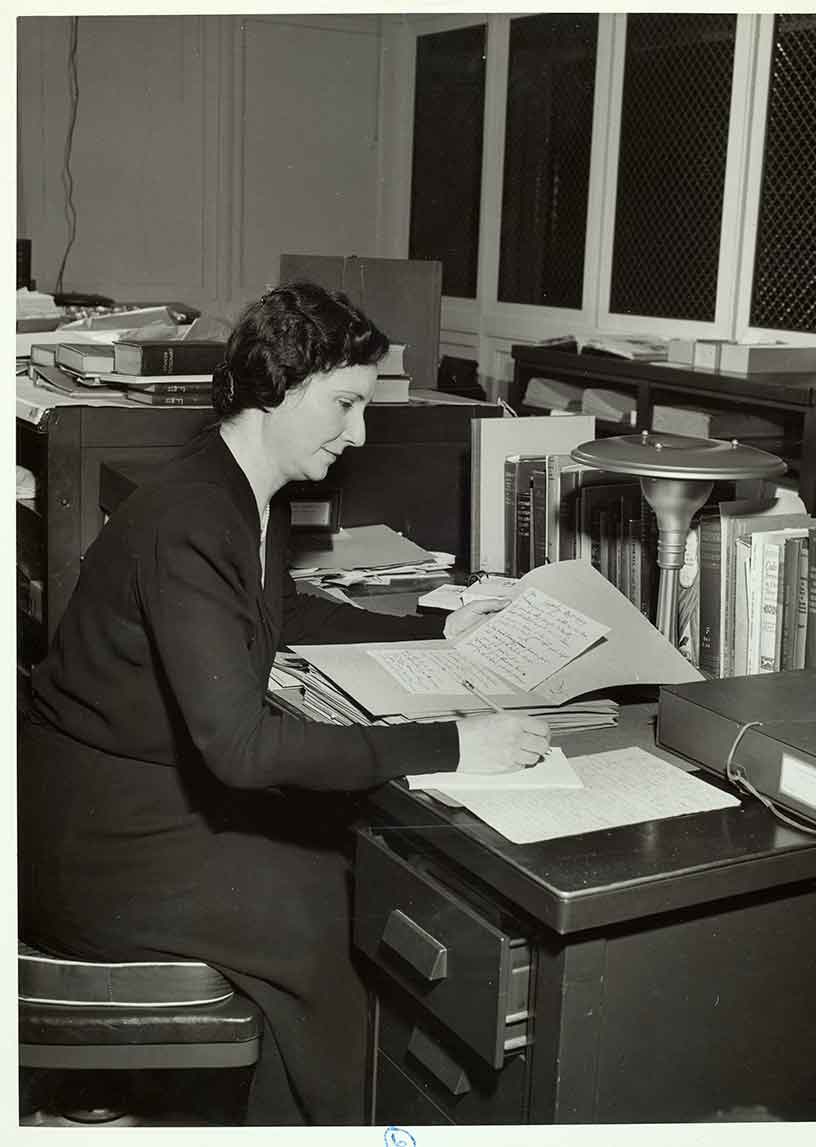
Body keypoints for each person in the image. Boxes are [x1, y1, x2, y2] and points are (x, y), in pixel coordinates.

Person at [17, 281, 550, 1126]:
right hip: (92, 839)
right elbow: (243, 750)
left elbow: (280, 611)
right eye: (345, 403)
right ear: (278, 385)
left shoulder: (237, 488)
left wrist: (433, 626)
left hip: (127, 797)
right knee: (333, 910)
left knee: (340, 865)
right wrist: (454, 744)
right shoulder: (194, 516)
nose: (359, 432)